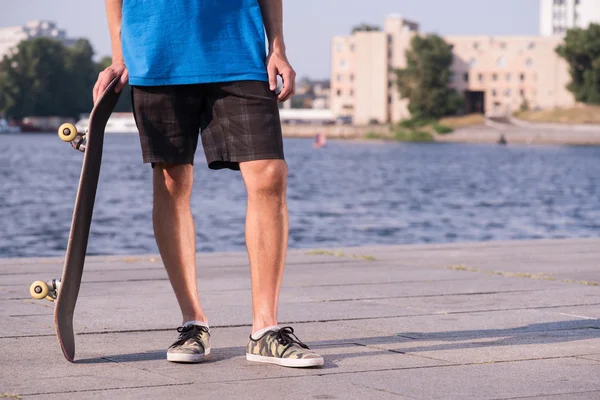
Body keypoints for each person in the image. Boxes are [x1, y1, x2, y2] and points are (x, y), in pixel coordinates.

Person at [93, 0, 323, 368]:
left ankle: (265, 330)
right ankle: (193, 322)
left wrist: (277, 48)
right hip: (156, 54)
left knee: (270, 174)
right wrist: (119, 56)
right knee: (171, 180)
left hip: (238, 51)